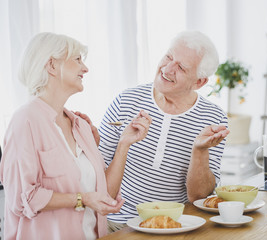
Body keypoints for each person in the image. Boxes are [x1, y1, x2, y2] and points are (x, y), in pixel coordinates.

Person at [0, 32, 151, 240]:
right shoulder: (25, 121)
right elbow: (22, 198)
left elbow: (103, 195)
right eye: (78, 59)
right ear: (52, 65)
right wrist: (82, 199)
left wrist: (124, 143)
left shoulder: (80, 125)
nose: (85, 68)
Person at [99, 30, 230, 231]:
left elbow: (199, 197)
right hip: (117, 224)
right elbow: (98, 179)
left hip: (174, 226)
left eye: (181, 67)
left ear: (199, 82)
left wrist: (200, 151)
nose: (167, 69)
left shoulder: (213, 118)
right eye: (169, 57)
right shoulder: (126, 101)